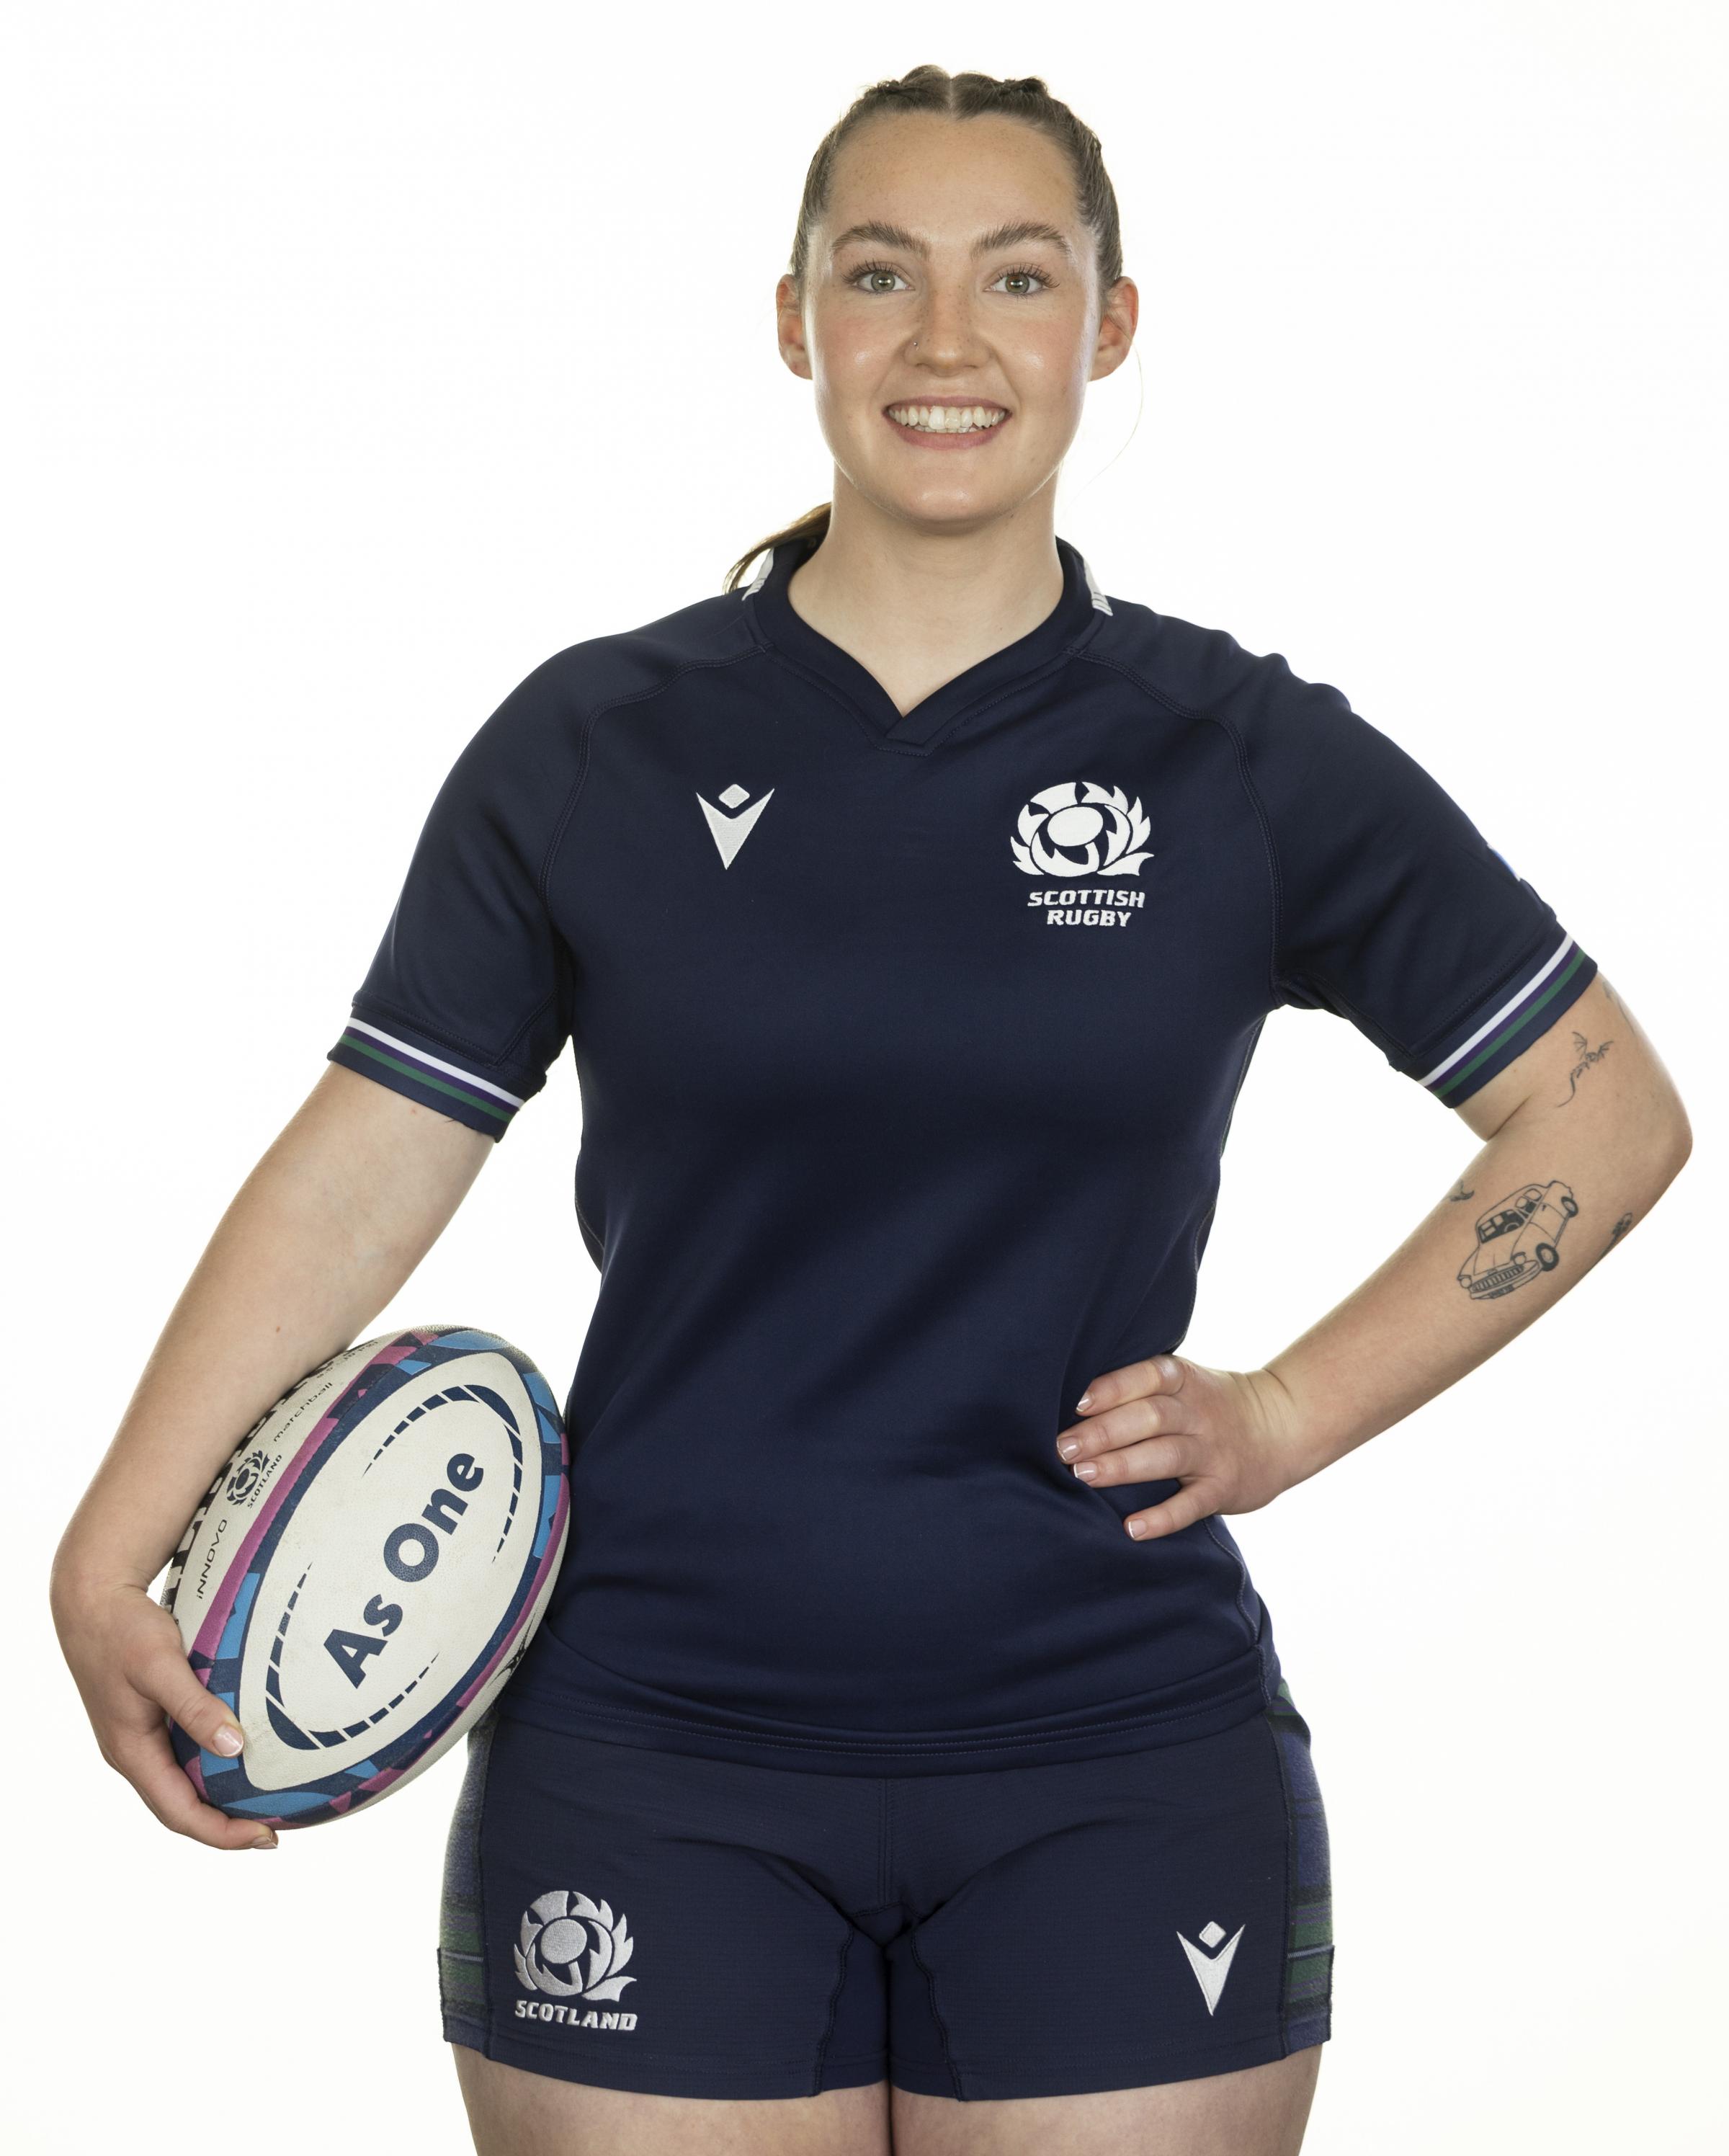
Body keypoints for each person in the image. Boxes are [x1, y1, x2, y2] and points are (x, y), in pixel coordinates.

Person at [50, 61, 1692, 2156]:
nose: (945, 343)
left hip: (1113, 1742)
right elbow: (375, 1154)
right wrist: (116, 1540)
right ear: (794, 316)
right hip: (650, 1740)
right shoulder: (592, 747)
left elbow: (1606, 1117)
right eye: (879, 274)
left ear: (1108, 323)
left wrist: (1282, 1415)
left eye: (1018, 278)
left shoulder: (1243, 761)